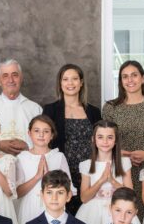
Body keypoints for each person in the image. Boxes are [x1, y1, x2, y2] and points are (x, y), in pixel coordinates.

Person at [101, 61, 144, 216]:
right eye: (125, 77)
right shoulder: (111, 107)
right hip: (121, 167)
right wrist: (123, 154)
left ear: (143, 78)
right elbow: (104, 139)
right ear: (120, 81)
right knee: (123, 211)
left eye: (134, 75)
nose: (130, 80)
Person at [42, 64, 103, 214]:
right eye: (65, 79)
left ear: (81, 82)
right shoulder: (50, 110)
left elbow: (100, 142)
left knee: (89, 218)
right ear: (60, 83)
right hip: (62, 173)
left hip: (89, 174)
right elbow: (44, 142)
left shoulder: (94, 111)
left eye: (75, 79)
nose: (70, 83)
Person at [15, 114, 73, 224]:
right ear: (29, 133)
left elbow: (69, 189)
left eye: (46, 131)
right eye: (36, 131)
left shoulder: (58, 157)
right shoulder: (22, 158)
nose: (41, 135)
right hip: (29, 206)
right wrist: (37, 177)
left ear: (52, 135)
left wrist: (48, 178)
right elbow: (17, 192)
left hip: (54, 205)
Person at [0, 59, 43, 155]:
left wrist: (28, 146)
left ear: (21, 78)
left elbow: (45, 141)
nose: (11, 80)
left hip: (28, 166)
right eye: (5, 76)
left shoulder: (35, 109)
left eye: (15, 75)